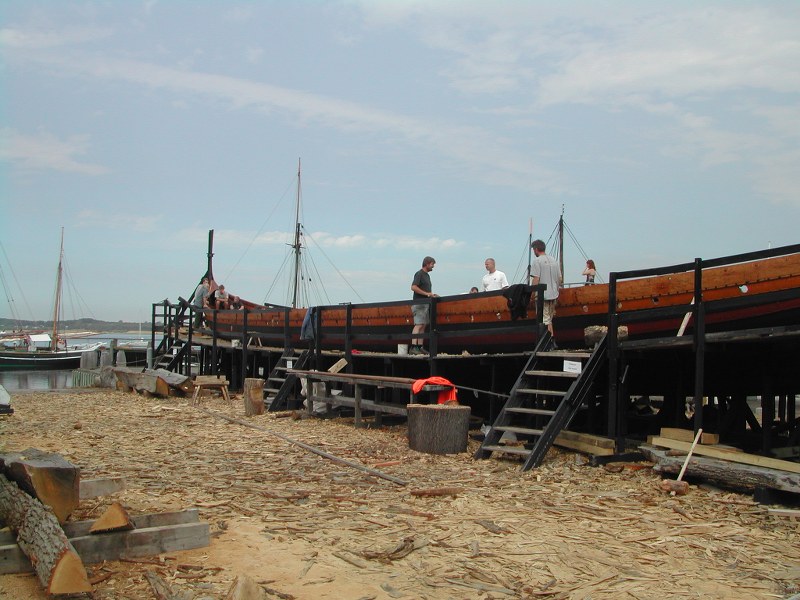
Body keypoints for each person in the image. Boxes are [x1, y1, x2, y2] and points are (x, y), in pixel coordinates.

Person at [530, 240, 561, 339]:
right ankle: (551, 339)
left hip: (543, 295)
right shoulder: (554, 260)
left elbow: (536, 279)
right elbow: (559, 278)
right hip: (554, 294)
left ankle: (549, 341)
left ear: (535, 249)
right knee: (549, 319)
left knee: (544, 320)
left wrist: (532, 292)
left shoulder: (537, 261)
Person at [410, 256, 437, 355]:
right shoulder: (419, 274)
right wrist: (427, 294)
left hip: (425, 304)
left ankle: (420, 347)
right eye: (432, 264)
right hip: (419, 303)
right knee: (419, 324)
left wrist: (431, 294)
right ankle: (413, 347)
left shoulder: (427, 275)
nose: (433, 266)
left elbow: (426, 291)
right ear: (427, 263)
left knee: (424, 325)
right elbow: (413, 287)